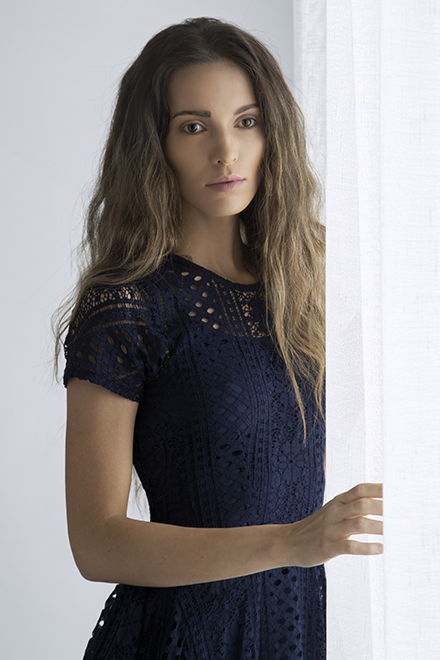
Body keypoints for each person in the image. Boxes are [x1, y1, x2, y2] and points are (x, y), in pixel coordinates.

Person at [56, 16, 383, 660]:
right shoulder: (127, 306)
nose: (225, 152)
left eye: (246, 121)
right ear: (154, 145)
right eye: (193, 126)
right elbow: (96, 543)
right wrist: (291, 541)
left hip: (291, 632)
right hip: (177, 641)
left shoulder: (305, 286)